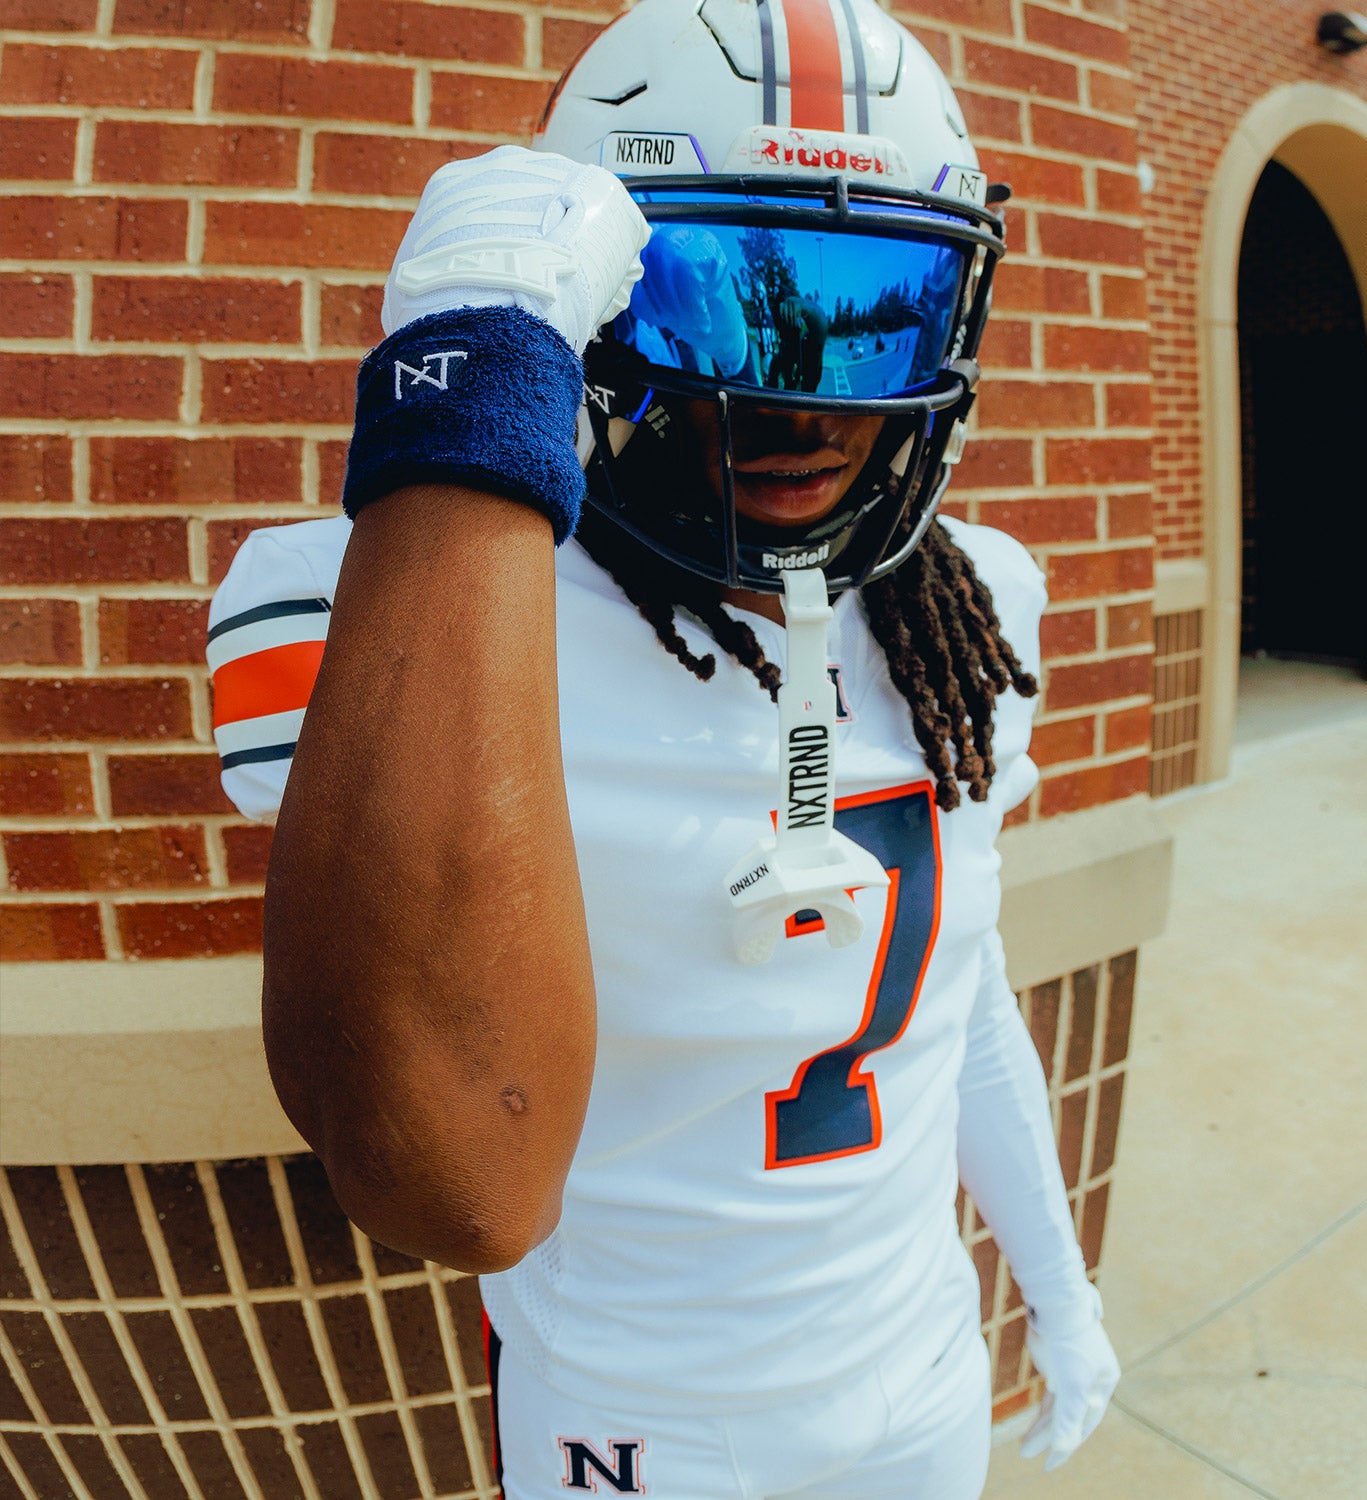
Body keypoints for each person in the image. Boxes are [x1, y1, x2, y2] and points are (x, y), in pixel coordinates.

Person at [207, 1, 1120, 1495]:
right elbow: (455, 1177)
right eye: (718, 299)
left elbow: (958, 1000)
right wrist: (469, 392)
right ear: (594, 304)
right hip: (639, 1424)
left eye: (871, 311)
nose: (799, 388)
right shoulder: (382, 602)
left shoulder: (981, 605)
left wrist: (1059, 1291)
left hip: (925, 1362)